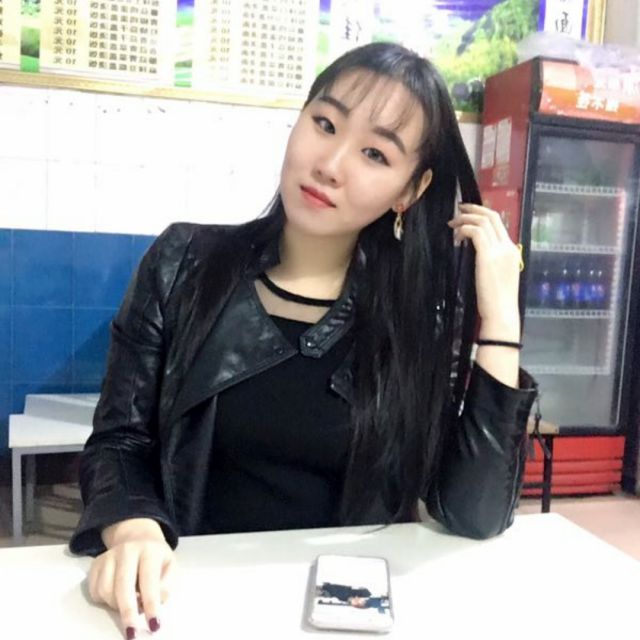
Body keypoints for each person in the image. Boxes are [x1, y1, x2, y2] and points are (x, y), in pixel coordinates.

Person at [69, 41, 537, 639]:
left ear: (409, 191)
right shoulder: (183, 264)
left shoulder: (418, 320)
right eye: (325, 124)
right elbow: (119, 441)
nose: (331, 164)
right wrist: (134, 527)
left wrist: (500, 319)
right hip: (189, 601)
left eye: (374, 153)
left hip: (343, 616)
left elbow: (474, 514)